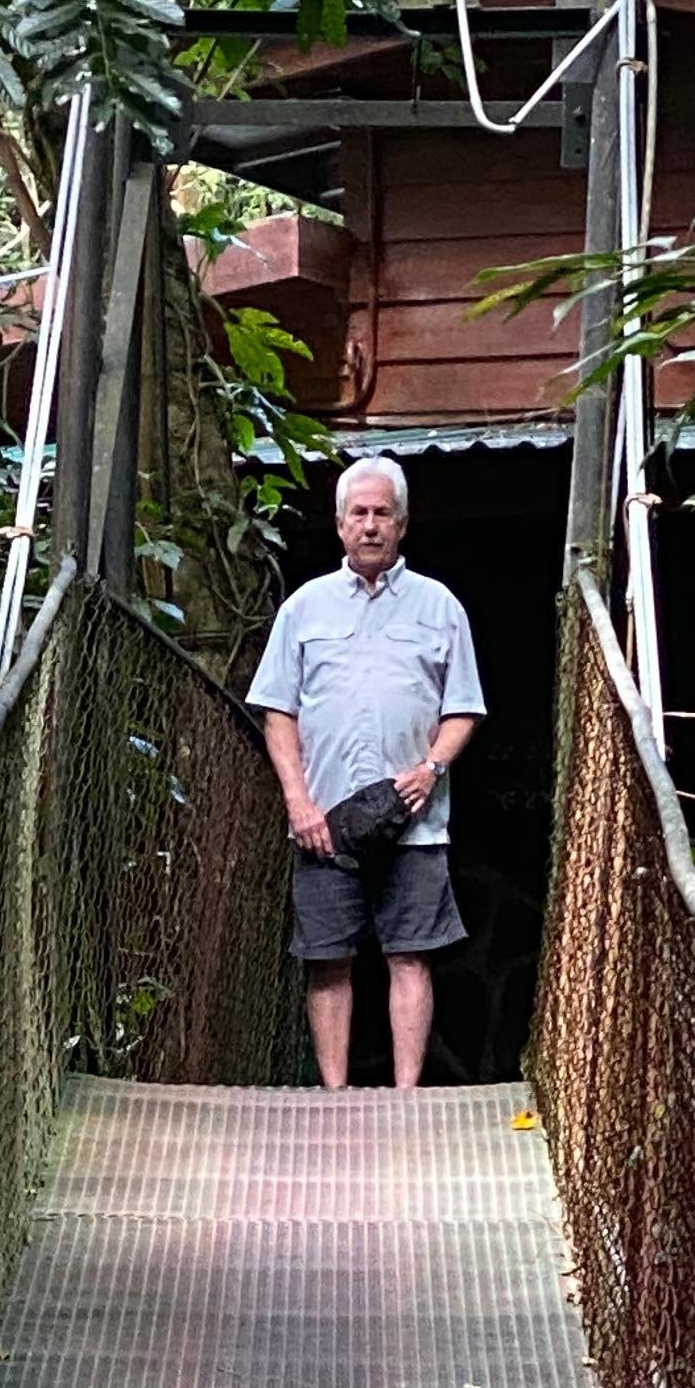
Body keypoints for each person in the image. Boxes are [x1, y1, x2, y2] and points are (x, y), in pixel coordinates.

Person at [247, 454, 485, 1091]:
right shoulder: (304, 609)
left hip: (416, 822)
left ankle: (405, 1099)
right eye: (360, 513)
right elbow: (278, 714)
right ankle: (334, 1096)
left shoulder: (440, 607)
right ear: (339, 523)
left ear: (403, 523)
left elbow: (464, 709)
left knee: (410, 954)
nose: (371, 525)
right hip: (324, 822)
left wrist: (432, 768)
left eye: (383, 513)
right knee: (327, 962)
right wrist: (299, 804)